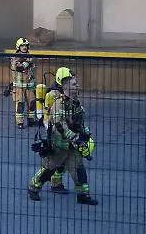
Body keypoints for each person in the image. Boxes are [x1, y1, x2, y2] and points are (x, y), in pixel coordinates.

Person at [27, 71, 98, 205]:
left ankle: (83, 195)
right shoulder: (59, 103)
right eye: (74, 84)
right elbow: (59, 124)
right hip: (59, 144)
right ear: (66, 87)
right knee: (48, 169)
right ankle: (33, 188)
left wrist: (84, 134)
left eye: (76, 83)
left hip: (73, 146)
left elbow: (79, 122)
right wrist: (74, 137)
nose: (77, 86)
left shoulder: (75, 103)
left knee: (79, 170)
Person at [10, 38, 37, 129]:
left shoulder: (31, 56)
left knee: (32, 104)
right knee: (20, 105)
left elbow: (32, 70)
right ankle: (20, 122)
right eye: (22, 46)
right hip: (19, 86)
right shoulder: (15, 57)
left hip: (30, 85)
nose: (24, 47)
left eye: (25, 46)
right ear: (18, 47)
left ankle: (31, 120)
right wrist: (28, 62)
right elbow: (19, 68)